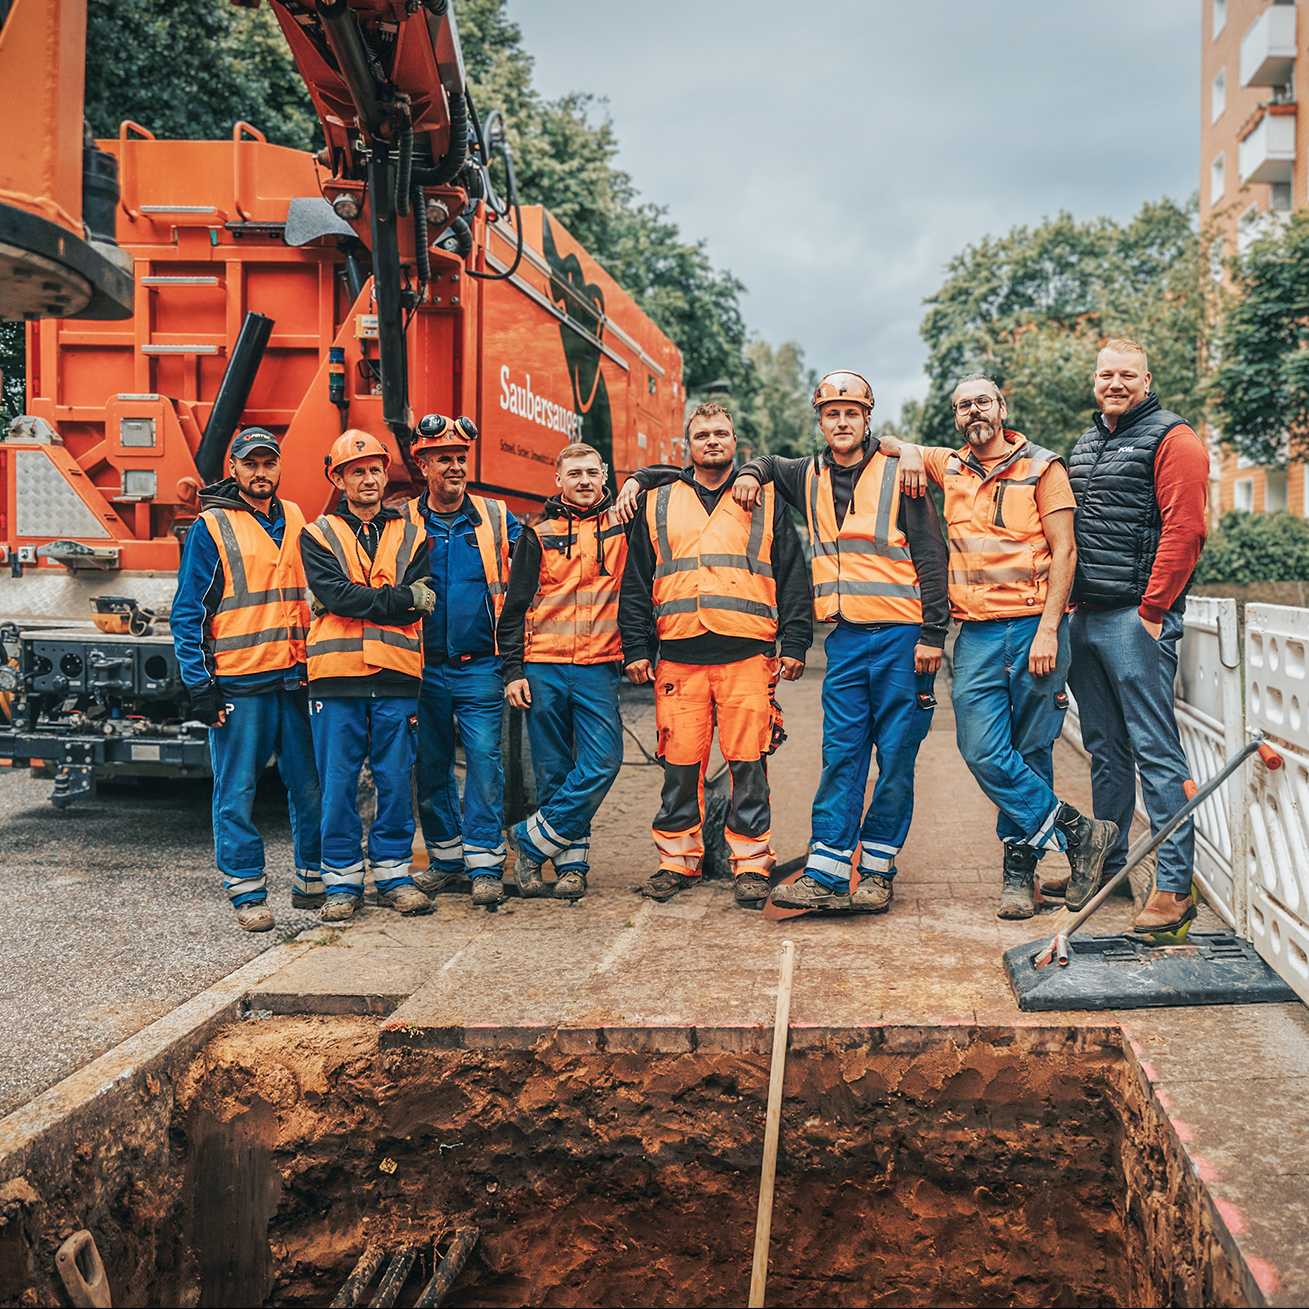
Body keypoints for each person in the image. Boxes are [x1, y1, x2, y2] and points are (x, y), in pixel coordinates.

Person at [620, 373, 950, 913]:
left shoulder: (897, 474)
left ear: (868, 417)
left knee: (892, 758)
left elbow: (927, 558)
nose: (841, 423)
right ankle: (824, 868)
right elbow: (766, 464)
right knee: (837, 756)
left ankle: (873, 871)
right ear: (819, 421)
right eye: (831, 414)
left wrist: (932, 632)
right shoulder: (800, 475)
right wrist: (643, 476)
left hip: (897, 636)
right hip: (837, 640)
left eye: (852, 413)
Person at [882, 374, 1119, 919]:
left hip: (1036, 627)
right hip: (977, 634)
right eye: (963, 406)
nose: (973, 411)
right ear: (957, 417)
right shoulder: (952, 465)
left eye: (982, 401)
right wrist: (913, 455)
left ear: (1001, 407)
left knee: (1031, 750)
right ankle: (1079, 832)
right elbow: (886, 442)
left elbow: (1066, 553)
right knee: (983, 749)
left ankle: (1020, 878)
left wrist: (1047, 629)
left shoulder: (1044, 466)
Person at [617, 401, 812, 908]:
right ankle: (677, 861)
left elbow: (793, 575)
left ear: (734, 441)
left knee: (749, 765)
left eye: (720, 432)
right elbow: (636, 581)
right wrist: (636, 646)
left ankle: (751, 864)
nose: (712, 441)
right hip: (679, 656)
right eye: (702, 434)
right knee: (679, 766)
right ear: (688, 444)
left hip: (747, 655)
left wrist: (795, 642)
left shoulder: (765, 500)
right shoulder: (658, 501)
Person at [1065, 339, 1209, 935]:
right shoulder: (1087, 441)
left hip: (1135, 618)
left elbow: (1187, 528)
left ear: (1147, 379)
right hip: (1087, 615)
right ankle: (1111, 867)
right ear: (1094, 380)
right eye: (1106, 374)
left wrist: (1153, 610)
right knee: (1105, 749)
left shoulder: (1175, 438)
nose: (1115, 382)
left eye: (1127, 374)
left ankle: (1175, 886)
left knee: (1156, 749)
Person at [172, 428, 321, 932]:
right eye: (250, 463)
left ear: (279, 467)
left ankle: (311, 877)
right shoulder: (211, 527)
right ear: (233, 469)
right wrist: (200, 686)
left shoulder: (298, 517)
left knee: (310, 787)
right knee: (236, 790)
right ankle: (246, 889)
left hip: (296, 679)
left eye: (269, 463)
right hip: (240, 683)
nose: (261, 472)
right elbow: (188, 613)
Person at [299, 430, 435, 922]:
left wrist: (358, 599)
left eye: (376, 469)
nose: (370, 478)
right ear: (338, 478)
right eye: (357, 470)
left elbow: (420, 603)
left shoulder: (413, 534)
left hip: (397, 677)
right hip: (336, 679)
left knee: (396, 781)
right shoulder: (316, 535)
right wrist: (396, 599)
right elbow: (337, 596)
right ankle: (341, 883)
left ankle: (394, 877)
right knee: (338, 784)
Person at [496, 443, 627, 902]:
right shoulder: (538, 534)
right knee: (555, 772)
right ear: (558, 481)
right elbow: (513, 609)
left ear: (606, 475)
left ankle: (529, 840)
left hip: (599, 666)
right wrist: (513, 670)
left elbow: (671, 476)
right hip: (544, 666)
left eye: (593, 472)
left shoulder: (622, 526)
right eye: (575, 474)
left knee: (603, 763)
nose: (585, 481)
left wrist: (640, 480)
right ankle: (572, 867)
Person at [405, 414, 521, 906]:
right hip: (421, 667)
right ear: (423, 465)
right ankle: (447, 861)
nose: (455, 467)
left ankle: (486, 865)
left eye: (460, 459)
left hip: (480, 666)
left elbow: (541, 568)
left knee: (484, 764)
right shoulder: (403, 521)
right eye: (444, 459)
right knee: (429, 766)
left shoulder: (496, 517)